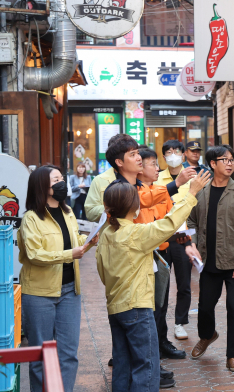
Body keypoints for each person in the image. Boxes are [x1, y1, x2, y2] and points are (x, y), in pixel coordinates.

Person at [96, 172, 208, 392]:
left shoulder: (107, 233)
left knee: (122, 364)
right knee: (145, 365)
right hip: (136, 306)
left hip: (115, 306)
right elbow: (169, 223)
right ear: (131, 205)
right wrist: (191, 193)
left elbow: (102, 272)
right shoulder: (135, 233)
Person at [17, 165, 99, 392]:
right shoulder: (31, 219)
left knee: (68, 353)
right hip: (39, 294)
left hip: (70, 291)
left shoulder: (68, 212)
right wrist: (70, 254)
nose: (62, 183)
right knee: (41, 355)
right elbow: (34, 254)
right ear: (42, 186)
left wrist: (89, 241)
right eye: (56, 180)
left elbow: (73, 241)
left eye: (62, 178)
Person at [184, 145, 234, 372]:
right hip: (208, 261)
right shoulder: (201, 192)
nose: (230, 164)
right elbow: (191, 221)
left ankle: (233, 356)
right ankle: (207, 335)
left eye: (232, 160)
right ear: (213, 164)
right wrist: (193, 243)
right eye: (225, 160)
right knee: (205, 307)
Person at [135, 147, 181, 383]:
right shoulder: (133, 192)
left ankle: (157, 352)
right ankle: (149, 364)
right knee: (147, 312)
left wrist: (184, 237)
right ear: (139, 167)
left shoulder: (158, 190)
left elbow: (172, 217)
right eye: (153, 164)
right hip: (142, 258)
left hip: (160, 255)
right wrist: (181, 185)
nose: (157, 168)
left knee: (159, 308)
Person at [85, 135, 194, 222]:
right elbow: (143, 200)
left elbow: (152, 223)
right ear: (119, 162)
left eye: (138, 153)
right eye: (132, 155)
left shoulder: (143, 187)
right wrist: (177, 183)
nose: (139, 158)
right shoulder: (115, 188)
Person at [157, 139, 193, 341]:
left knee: (184, 283)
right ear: (164, 156)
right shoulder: (157, 178)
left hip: (184, 237)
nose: (173, 155)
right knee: (162, 284)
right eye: (169, 152)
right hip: (162, 237)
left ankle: (180, 323)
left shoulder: (191, 177)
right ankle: (160, 324)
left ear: (183, 154)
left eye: (176, 151)